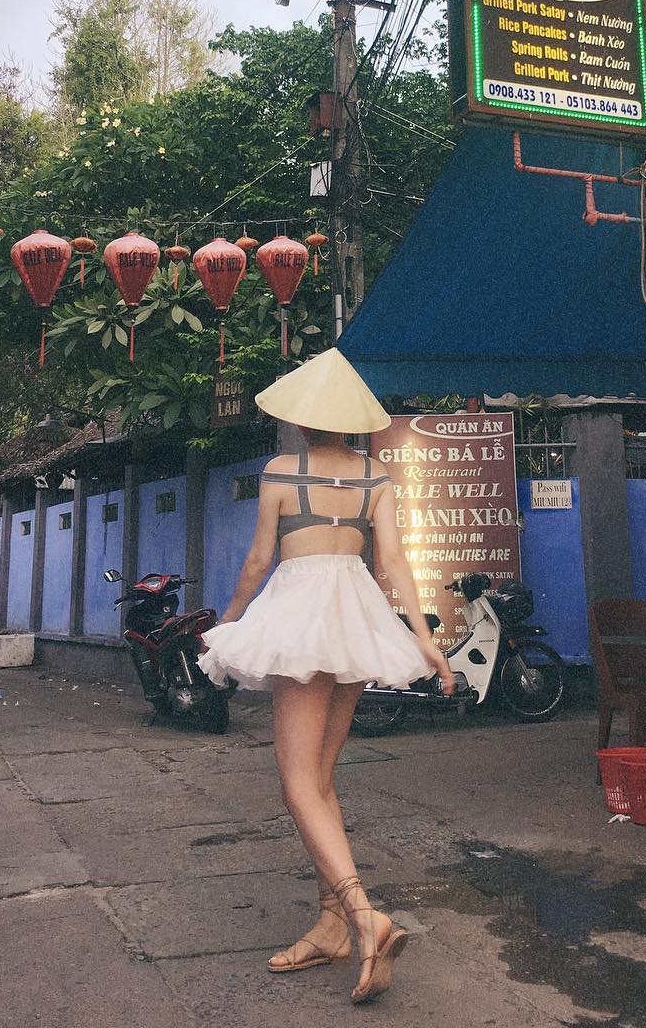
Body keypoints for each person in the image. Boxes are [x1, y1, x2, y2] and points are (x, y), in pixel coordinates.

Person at [200, 348, 452, 1005]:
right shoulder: (374, 476)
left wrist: (227, 624)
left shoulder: (282, 470)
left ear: (304, 418)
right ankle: (331, 925)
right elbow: (393, 560)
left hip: (302, 615)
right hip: (357, 615)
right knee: (320, 781)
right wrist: (424, 638)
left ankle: (364, 916)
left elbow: (259, 561)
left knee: (296, 785)